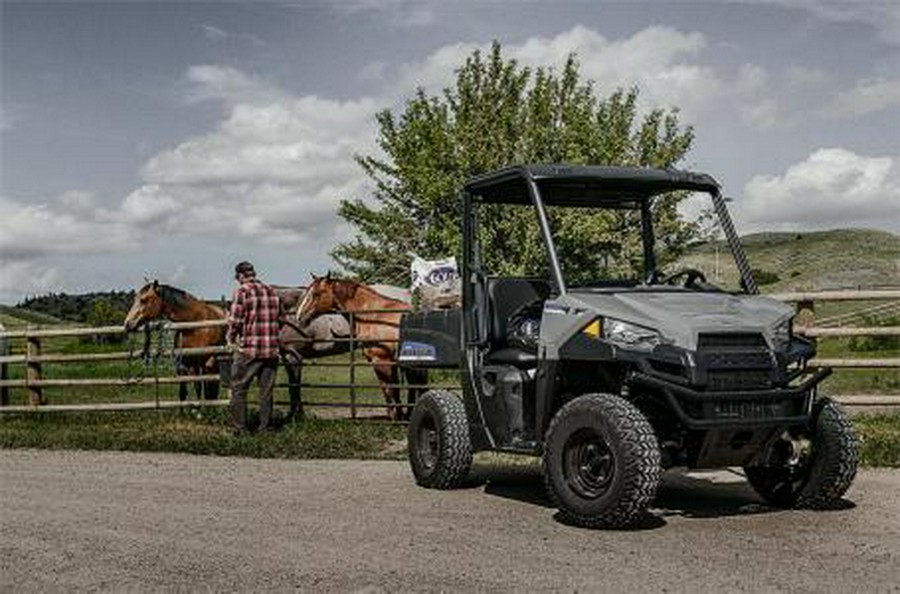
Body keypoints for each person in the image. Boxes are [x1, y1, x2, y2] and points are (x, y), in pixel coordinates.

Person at [227, 261, 282, 435]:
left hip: (250, 349)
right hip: (271, 350)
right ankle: (265, 427)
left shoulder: (242, 292)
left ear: (240, 276)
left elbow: (235, 321)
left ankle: (240, 429)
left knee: (238, 387)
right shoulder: (271, 291)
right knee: (266, 391)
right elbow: (279, 318)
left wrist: (230, 338)